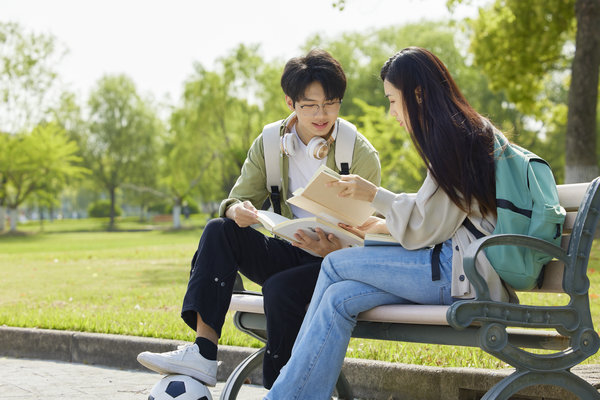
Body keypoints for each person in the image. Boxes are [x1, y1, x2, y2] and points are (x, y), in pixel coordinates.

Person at [265, 46, 518, 399]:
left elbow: (429, 229)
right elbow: (438, 212)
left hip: (464, 273)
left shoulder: (454, 137)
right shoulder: (459, 130)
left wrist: (375, 195)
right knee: (339, 296)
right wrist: (378, 225)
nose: (392, 112)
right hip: (456, 264)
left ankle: (284, 396)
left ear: (417, 94)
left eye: (393, 100)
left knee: (336, 265)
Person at [136, 49, 381, 388]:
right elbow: (238, 198)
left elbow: (371, 235)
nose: (322, 114)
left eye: (331, 103)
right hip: (289, 249)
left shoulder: (359, 152)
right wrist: (236, 210)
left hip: (334, 264)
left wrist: (333, 248)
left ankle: (280, 389)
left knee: (281, 289)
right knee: (219, 229)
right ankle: (203, 353)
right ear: (290, 102)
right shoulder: (269, 142)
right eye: (309, 105)